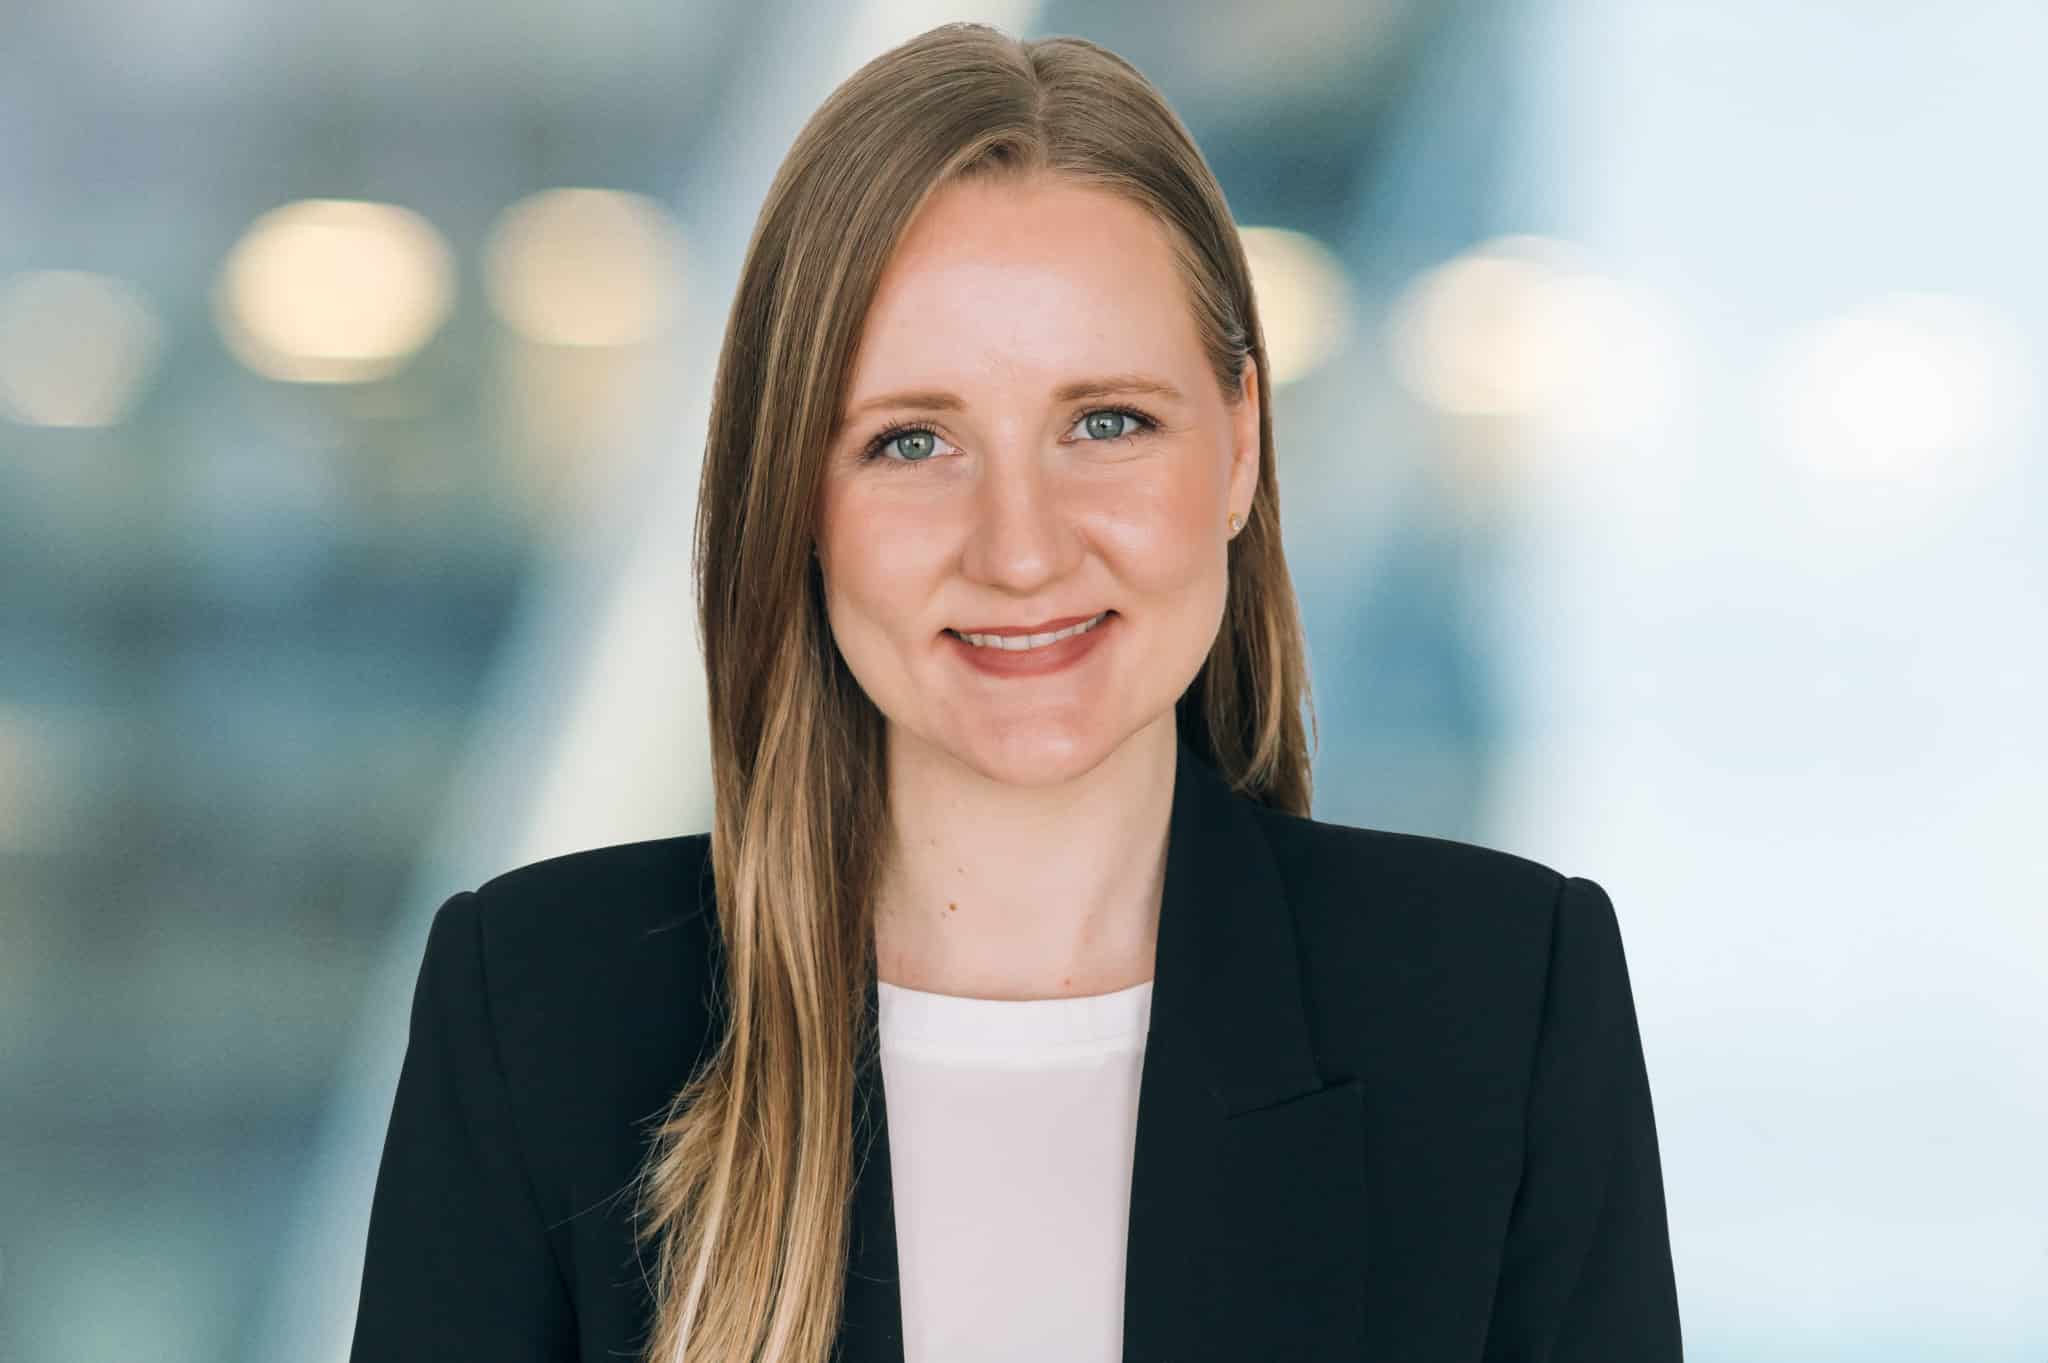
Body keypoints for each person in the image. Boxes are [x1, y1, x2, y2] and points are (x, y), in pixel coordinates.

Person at [348, 21, 1682, 1363]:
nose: (1023, 547)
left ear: (1238, 448)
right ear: (797, 499)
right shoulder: (542, 1014)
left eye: (1107, 422)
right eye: (911, 441)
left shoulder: (1499, 1006)